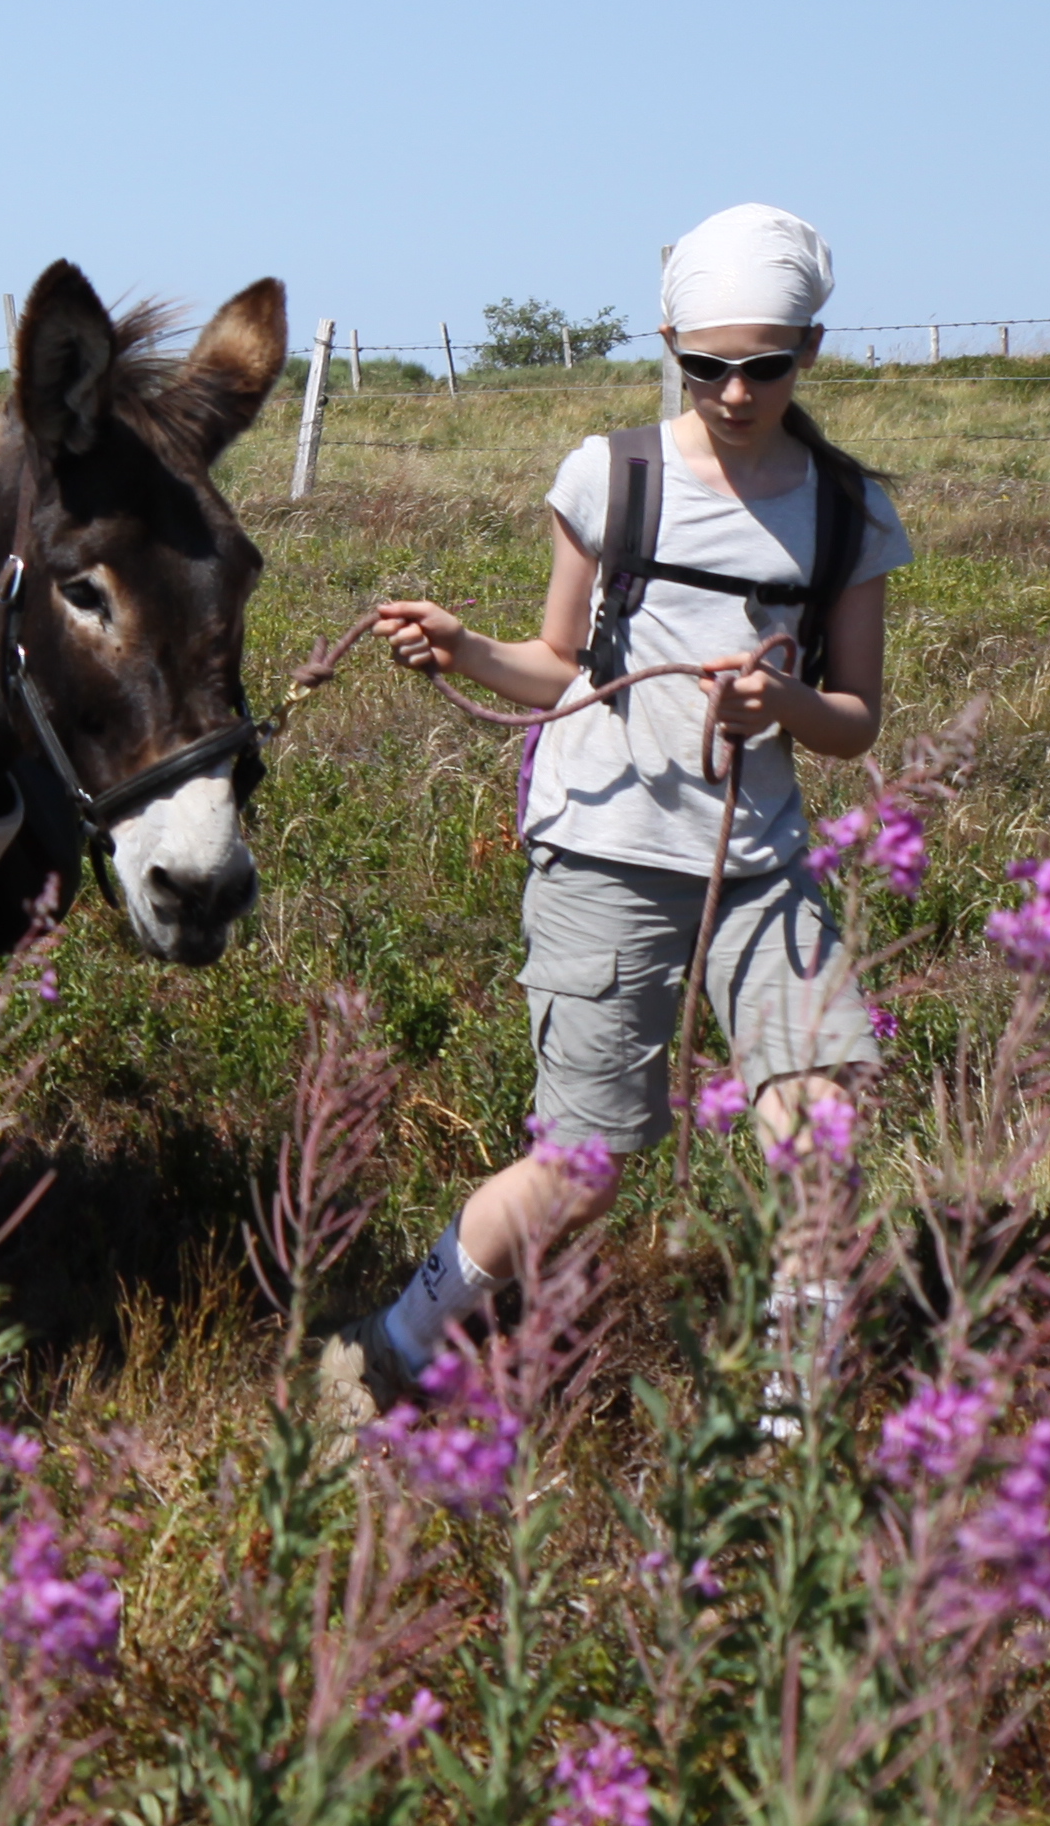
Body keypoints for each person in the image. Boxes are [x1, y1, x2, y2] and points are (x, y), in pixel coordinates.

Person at [336, 203, 914, 1409]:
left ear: (813, 349)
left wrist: (783, 709)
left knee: (820, 1132)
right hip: (603, 852)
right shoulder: (613, 477)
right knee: (583, 1169)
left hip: (760, 866)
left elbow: (856, 722)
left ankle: (788, 1426)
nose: (737, 389)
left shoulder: (850, 511)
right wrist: (462, 650)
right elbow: (561, 663)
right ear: (671, 345)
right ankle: (400, 1342)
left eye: (765, 363)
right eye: (707, 365)